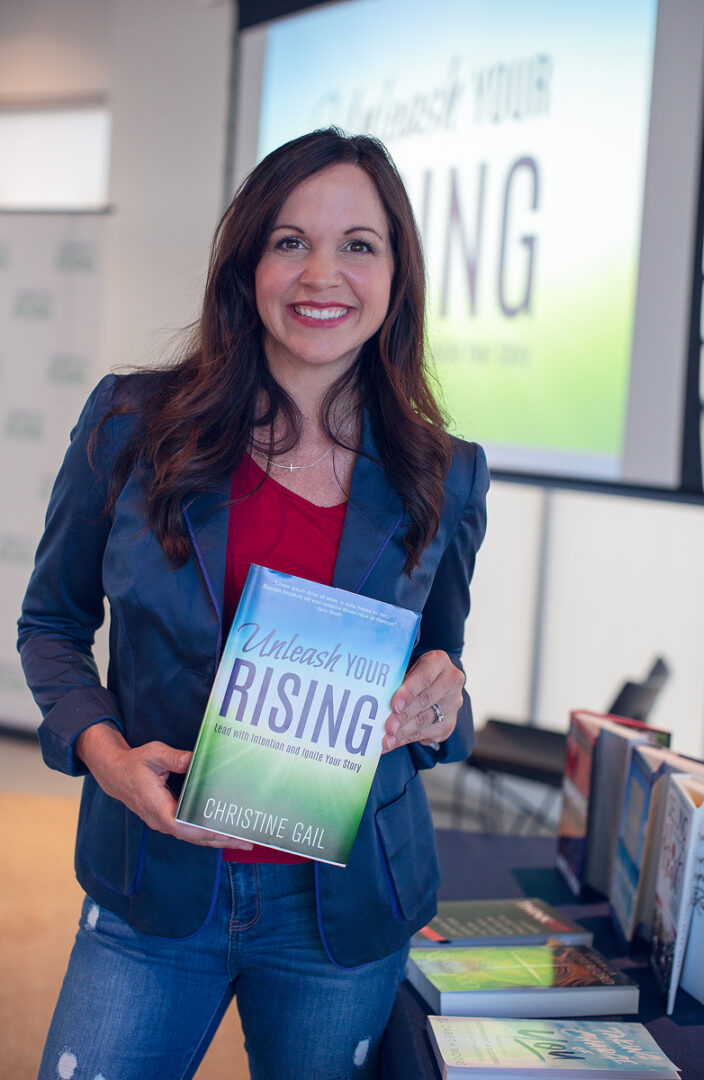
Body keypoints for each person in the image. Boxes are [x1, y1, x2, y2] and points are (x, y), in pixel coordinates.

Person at [18, 128, 489, 1080]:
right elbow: (52, 627)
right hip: (154, 886)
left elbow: (439, 678)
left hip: (344, 907)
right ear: (249, 265)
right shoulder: (131, 425)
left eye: (359, 244)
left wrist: (444, 701)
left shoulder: (445, 471)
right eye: (289, 241)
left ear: (398, 273)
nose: (323, 272)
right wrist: (107, 760)